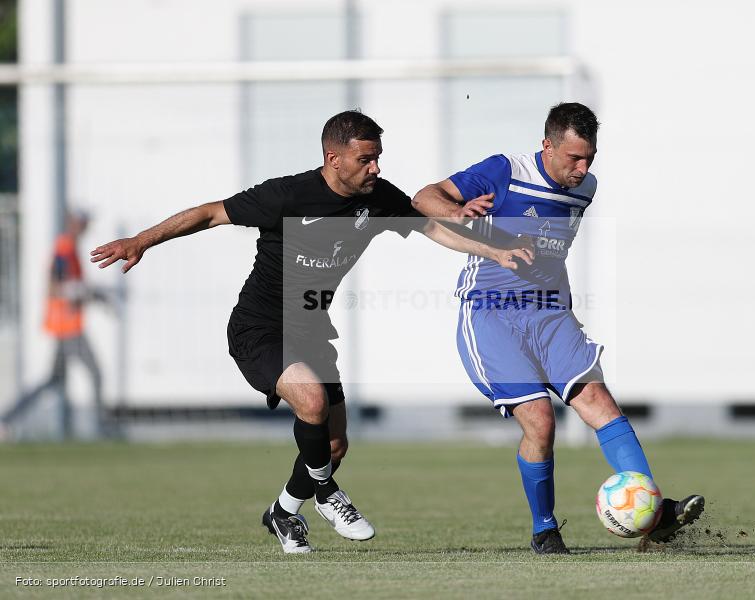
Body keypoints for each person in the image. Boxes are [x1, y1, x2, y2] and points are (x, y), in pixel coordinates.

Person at [90, 110, 532, 554]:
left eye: (378, 158)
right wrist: (141, 241)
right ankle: (326, 494)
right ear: (333, 158)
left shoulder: (377, 198)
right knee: (312, 400)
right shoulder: (287, 195)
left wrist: (492, 251)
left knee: (335, 445)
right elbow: (208, 214)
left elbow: (432, 226)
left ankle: (283, 512)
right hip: (259, 329)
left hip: (312, 331)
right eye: (366, 159)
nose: (375, 167)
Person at [411, 102, 704, 554]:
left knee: (599, 401)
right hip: (490, 313)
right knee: (541, 421)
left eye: (590, 157)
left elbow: (550, 251)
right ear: (546, 146)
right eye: (573, 157)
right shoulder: (504, 169)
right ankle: (544, 529)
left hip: (549, 313)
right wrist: (462, 212)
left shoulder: (584, 189)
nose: (582, 167)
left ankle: (655, 514)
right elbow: (424, 198)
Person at [3, 210, 110, 438]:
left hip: (67, 326)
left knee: (52, 380)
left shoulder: (70, 249)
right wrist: (85, 292)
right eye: (83, 222)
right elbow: (55, 286)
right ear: (73, 223)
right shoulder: (64, 249)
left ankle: (6, 420)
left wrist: (89, 294)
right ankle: (101, 429)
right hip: (67, 327)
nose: (86, 227)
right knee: (95, 373)